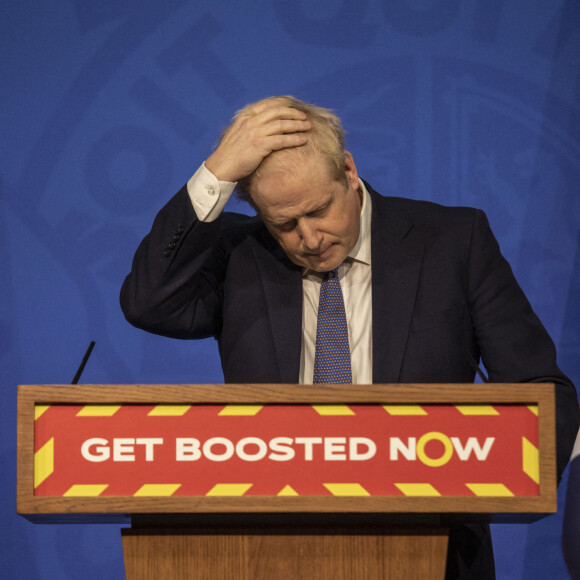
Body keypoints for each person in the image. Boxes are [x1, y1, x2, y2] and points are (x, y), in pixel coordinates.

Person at [120, 95, 579, 579]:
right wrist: (216, 173)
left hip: (433, 548)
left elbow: (543, 389)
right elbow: (148, 302)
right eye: (285, 224)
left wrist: (515, 480)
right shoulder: (239, 255)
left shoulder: (451, 240)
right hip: (263, 551)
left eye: (319, 210)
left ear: (349, 171)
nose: (310, 238)